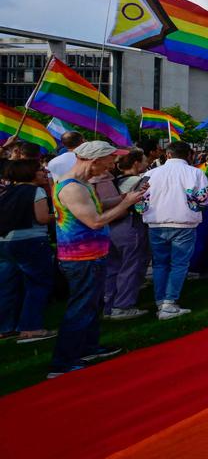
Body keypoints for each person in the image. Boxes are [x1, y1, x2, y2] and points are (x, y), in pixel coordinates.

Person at [49, 142, 145, 378]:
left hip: (91, 255)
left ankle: (88, 348)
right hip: (81, 257)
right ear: (95, 160)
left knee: (91, 306)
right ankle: (63, 362)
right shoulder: (73, 187)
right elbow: (95, 221)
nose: (112, 165)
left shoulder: (81, 184)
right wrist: (126, 203)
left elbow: (95, 207)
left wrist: (124, 197)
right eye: (110, 160)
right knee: (80, 308)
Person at [142, 141, 208, 320]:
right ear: (188, 155)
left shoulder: (151, 173)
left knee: (160, 264)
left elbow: (140, 200)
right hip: (183, 222)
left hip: (157, 222)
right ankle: (169, 302)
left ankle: (162, 301)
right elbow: (205, 199)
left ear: (168, 154)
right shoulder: (195, 173)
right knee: (178, 263)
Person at [0, 159, 57, 342]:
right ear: (30, 173)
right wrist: (59, 214)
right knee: (38, 283)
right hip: (31, 241)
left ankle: (6, 327)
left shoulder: (7, 192)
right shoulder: (36, 191)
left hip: (6, 242)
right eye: (40, 170)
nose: (44, 173)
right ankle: (31, 328)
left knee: (9, 285)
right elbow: (41, 218)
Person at [102, 150, 150, 320]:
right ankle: (123, 305)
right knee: (131, 266)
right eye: (144, 160)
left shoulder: (112, 180)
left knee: (113, 267)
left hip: (109, 226)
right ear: (136, 163)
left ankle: (109, 305)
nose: (147, 163)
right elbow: (142, 206)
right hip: (129, 224)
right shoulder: (140, 181)